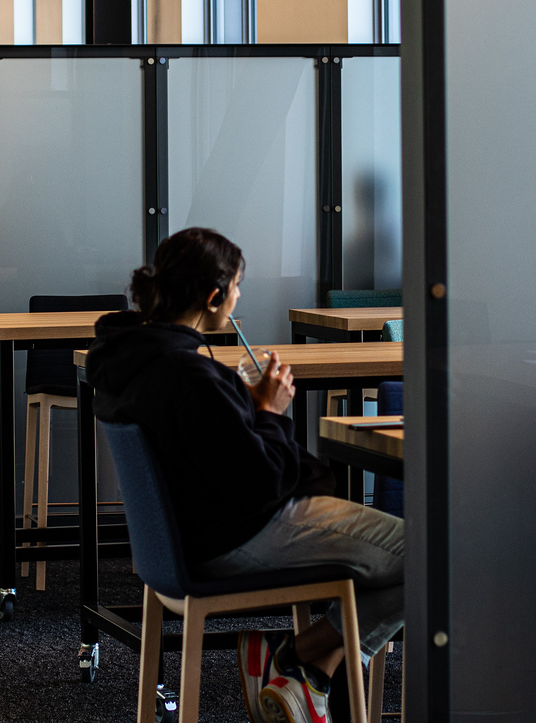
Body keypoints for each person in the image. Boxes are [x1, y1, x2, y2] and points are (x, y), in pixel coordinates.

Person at [85, 228, 403, 723]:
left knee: (407, 560)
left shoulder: (133, 358)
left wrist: (244, 406)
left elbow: (217, 452)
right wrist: (272, 412)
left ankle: (309, 667)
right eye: (236, 286)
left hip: (182, 544)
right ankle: (303, 658)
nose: (239, 296)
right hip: (235, 536)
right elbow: (260, 486)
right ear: (213, 297)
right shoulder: (186, 375)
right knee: (433, 556)